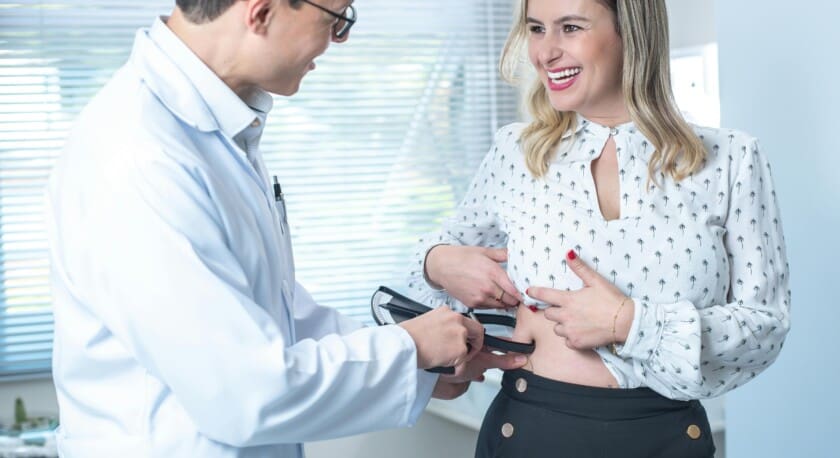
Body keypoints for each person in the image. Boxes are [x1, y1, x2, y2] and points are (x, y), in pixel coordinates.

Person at [45, 1, 527, 456]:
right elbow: (241, 392)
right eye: (336, 19)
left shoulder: (218, 127)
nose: (338, 40)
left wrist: (421, 367)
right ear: (261, 11)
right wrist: (410, 348)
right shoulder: (142, 155)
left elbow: (269, 312)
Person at [407, 0, 791, 456]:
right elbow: (425, 281)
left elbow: (765, 326)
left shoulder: (730, 160)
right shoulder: (515, 152)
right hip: (529, 432)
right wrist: (438, 262)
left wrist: (629, 323)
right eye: (535, 28)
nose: (545, 52)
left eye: (570, 27)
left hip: (666, 439)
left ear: (632, 33)